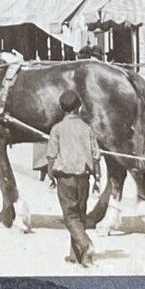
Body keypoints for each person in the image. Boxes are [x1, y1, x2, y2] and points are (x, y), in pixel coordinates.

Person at [40, 88, 101, 267]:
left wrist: (51, 175)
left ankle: (85, 244)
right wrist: (97, 178)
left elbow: (51, 155)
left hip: (65, 178)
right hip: (84, 177)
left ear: (62, 109)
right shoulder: (87, 128)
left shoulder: (57, 129)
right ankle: (79, 257)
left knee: (69, 217)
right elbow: (96, 155)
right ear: (79, 108)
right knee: (80, 216)